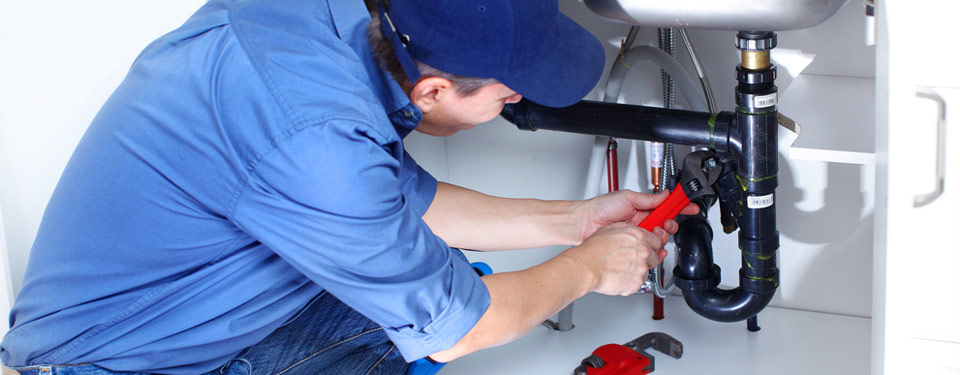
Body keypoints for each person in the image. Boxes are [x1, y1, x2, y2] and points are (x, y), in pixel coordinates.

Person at [1, 0, 697, 374]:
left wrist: (576, 222)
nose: (512, 110)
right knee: (451, 310)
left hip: (174, 323)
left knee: (432, 291)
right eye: (506, 99)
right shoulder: (317, 137)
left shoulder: (325, 25)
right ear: (432, 88)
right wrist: (588, 269)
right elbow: (467, 327)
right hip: (120, 366)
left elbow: (402, 203)